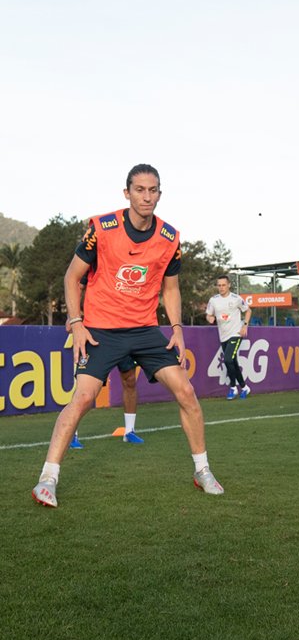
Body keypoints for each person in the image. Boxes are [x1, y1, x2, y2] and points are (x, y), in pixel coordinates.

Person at [31, 164, 223, 507]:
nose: (146, 196)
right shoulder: (101, 228)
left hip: (145, 330)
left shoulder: (170, 237)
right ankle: (48, 479)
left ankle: (202, 470)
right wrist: (76, 322)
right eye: (139, 190)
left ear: (160, 195)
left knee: (187, 392)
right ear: (127, 193)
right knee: (84, 397)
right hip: (102, 329)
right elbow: (72, 277)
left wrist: (176, 328)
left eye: (153, 190)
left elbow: (171, 288)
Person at [70, 355, 143, 448]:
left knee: (130, 380)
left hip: (123, 341)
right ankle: (71, 434)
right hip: (97, 344)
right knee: (86, 388)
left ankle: (129, 431)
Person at [205, 274, 252, 400]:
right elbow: (209, 314)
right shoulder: (213, 300)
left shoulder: (236, 298)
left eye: (223, 285)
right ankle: (245, 387)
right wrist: (210, 318)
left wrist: (245, 326)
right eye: (219, 285)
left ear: (229, 285)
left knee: (228, 359)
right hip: (223, 335)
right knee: (233, 362)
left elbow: (248, 310)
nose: (221, 287)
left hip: (236, 333)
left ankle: (233, 387)